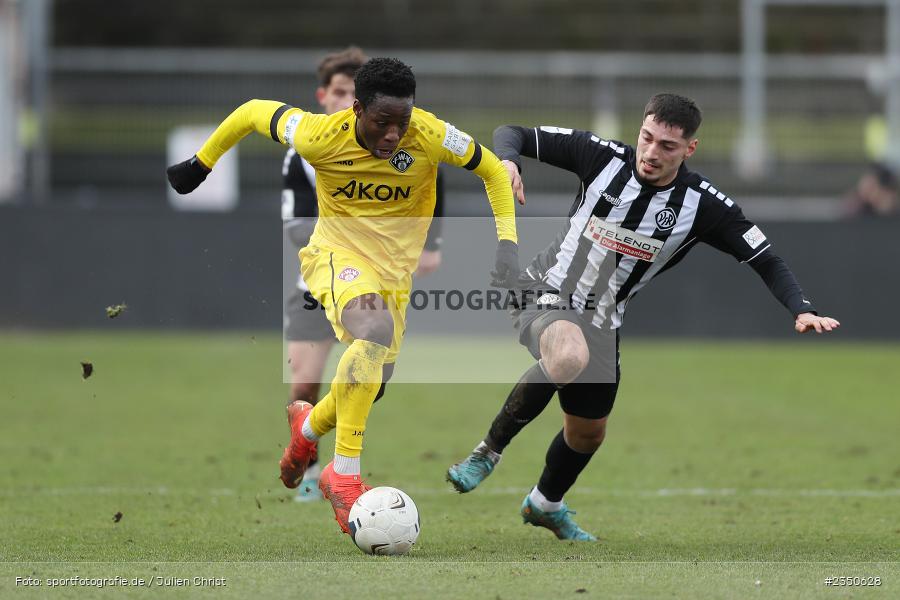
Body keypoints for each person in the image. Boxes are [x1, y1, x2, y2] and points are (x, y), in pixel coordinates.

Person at [447, 93, 840, 541]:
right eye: (647, 138)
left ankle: (545, 503)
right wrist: (509, 161)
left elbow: (766, 258)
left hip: (604, 320)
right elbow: (511, 132)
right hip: (545, 290)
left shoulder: (703, 206)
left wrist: (802, 308)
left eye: (667, 146)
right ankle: (487, 452)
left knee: (587, 434)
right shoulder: (600, 156)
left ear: (689, 149)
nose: (652, 153)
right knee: (568, 355)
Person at [167, 57, 522, 534]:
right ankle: (343, 474)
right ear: (356, 110)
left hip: (394, 276)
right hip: (337, 256)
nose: (394, 134)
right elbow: (252, 111)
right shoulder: (320, 134)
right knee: (371, 332)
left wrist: (507, 245)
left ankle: (306, 431)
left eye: (403, 121)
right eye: (382, 122)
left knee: (373, 380)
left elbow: (495, 173)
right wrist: (200, 163)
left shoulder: (431, 134)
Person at [280, 48, 445, 502]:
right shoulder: (307, 148)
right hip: (320, 279)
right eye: (338, 91)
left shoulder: (396, 141)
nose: (342, 98)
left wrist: (428, 243)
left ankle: (309, 433)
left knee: (372, 384)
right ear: (328, 97)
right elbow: (293, 225)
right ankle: (319, 476)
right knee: (305, 383)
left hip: (379, 278)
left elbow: (433, 177)